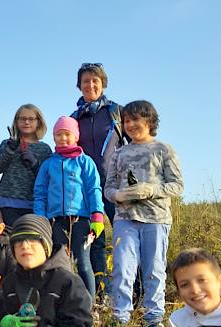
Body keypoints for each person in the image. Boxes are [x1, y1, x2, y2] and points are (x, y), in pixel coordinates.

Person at [105, 100, 183, 327]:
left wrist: (151, 190)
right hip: (124, 219)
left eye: (135, 119)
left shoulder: (163, 149)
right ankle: (119, 318)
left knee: (154, 270)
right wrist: (117, 195)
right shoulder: (119, 154)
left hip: (156, 219)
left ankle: (153, 321)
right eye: (126, 120)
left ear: (149, 121)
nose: (130, 125)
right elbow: (108, 188)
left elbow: (177, 186)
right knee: (122, 268)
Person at [71, 63, 127, 301]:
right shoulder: (74, 118)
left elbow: (135, 140)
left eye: (95, 80)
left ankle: (132, 290)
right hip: (86, 187)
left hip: (115, 185)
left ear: (103, 84)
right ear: (79, 85)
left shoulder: (117, 112)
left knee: (125, 237)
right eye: (86, 81)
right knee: (94, 239)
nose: (90, 85)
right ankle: (101, 292)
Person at [33, 116, 104, 300]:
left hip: (80, 220)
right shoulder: (48, 164)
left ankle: (89, 305)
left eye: (67, 134)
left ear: (76, 136)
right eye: (59, 135)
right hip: (55, 222)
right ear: (54, 137)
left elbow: (94, 189)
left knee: (83, 263)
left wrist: (97, 215)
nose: (63, 138)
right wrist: (40, 219)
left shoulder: (85, 161)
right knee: (60, 264)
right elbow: (40, 193)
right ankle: (64, 303)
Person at [0, 104, 53, 226]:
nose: (26, 122)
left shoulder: (44, 149)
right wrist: (10, 149)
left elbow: (48, 178)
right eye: (22, 118)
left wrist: (35, 163)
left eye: (31, 119)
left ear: (38, 122)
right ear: (16, 121)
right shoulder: (7, 143)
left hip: (33, 205)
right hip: (7, 203)